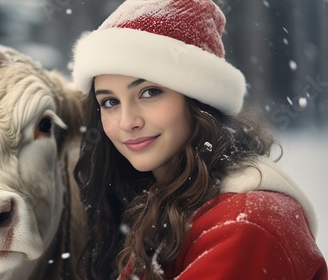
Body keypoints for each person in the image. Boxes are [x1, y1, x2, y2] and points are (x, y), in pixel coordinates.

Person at [71, 0, 328, 279]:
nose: (127, 122)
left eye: (149, 92)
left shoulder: (246, 223)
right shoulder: (157, 204)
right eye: (109, 102)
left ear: (198, 98)